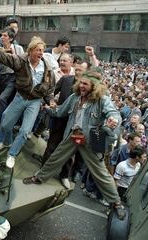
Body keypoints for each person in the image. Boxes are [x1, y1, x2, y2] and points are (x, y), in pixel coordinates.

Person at [23, 71, 126, 220]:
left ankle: (116, 203)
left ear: (94, 86)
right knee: (55, 158)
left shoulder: (102, 100)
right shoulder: (74, 98)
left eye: (85, 84)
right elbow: (59, 112)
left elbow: (114, 113)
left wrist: (113, 119)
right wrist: (46, 108)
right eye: (81, 83)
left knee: (101, 173)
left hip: (90, 141)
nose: (82, 86)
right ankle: (39, 177)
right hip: (73, 136)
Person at [0, 37, 55, 168]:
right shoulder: (20, 61)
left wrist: (50, 100)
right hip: (20, 97)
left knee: (25, 131)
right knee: (5, 123)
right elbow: (4, 57)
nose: (41, 53)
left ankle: (12, 154)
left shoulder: (47, 67)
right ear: (30, 51)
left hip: (34, 101)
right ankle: (5, 141)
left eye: (42, 50)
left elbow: (50, 88)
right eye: (38, 50)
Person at [39, 60, 88, 189]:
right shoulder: (66, 80)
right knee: (52, 145)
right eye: (76, 69)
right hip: (60, 120)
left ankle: (64, 175)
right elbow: (51, 91)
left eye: (81, 70)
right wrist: (51, 101)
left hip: (77, 126)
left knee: (70, 152)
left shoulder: (90, 89)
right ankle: (43, 170)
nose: (77, 72)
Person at [0, 27, 25, 128]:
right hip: (2, 77)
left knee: (3, 98)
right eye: (1, 35)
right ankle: (8, 125)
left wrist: (13, 54)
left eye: (5, 36)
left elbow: (22, 63)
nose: (2, 38)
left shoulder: (18, 48)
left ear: (11, 39)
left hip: (13, 77)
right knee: (3, 99)